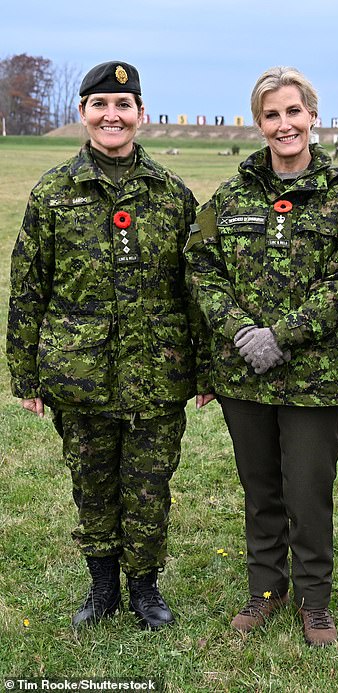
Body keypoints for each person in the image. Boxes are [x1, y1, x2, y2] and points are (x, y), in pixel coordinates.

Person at [6, 61, 213, 630]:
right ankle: (102, 588)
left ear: (141, 115)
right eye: (100, 105)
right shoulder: (54, 193)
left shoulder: (173, 195)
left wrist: (205, 370)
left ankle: (145, 588)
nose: (112, 116)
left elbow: (195, 288)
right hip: (79, 370)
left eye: (123, 106)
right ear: (83, 114)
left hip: (157, 370)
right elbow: (28, 286)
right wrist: (25, 375)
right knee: (92, 482)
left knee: (148, 486)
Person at [185, 66, 338, 647]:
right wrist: (243, 331)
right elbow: (200, 265)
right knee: (261, 489)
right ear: (259, 123)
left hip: (314, 378)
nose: (284, 124)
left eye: (294, 112)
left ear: (312, 117)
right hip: (245, 375)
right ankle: (265, 591)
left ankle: (315, 602)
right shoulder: (232, 194)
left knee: (307, 491)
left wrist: (284, 335)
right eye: (272, 115)